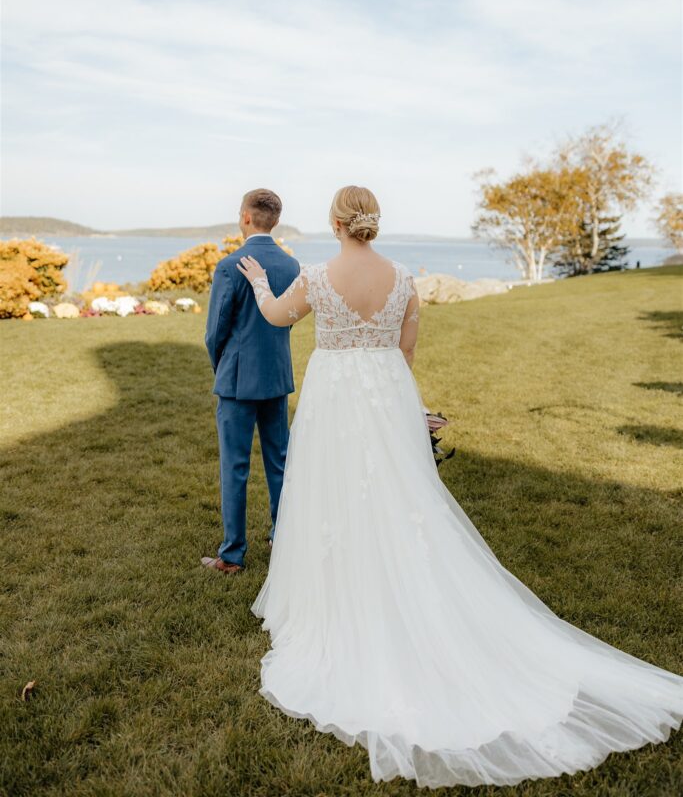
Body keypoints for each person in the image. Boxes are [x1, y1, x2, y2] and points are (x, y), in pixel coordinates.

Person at [235, 183, 683, 789]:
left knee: (332, 496)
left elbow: (276, 316)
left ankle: (340, 595)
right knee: (399, 500)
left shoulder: (316, 275)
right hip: (386, 395)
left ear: (336, 222)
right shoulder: (403, 281)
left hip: (336, 402)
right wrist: (391, 399)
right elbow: (406, 351)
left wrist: (259, 279)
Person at [202, 188, 300, 574]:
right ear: (274, 220)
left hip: (238, 380)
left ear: (245, 217)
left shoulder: (230, 265)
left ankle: (232, 555)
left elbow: (215, 331)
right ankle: (283, 536)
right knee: (279, 462)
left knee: (235, 466)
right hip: (276, 377)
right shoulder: (292, 266)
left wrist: (220, 365)